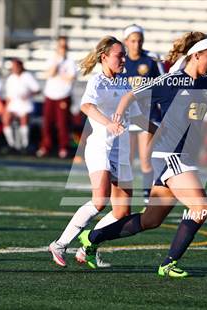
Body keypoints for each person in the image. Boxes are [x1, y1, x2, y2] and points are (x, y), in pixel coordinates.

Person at [78, 31, 207, 276]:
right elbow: (130, 95)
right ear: (196, 55)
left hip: (181, 157)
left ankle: (93, 237)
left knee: (150, 220)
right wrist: (118, 114)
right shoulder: (171, 81)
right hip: (168, 154)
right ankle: (168, 263)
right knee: (201, 208)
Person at [48, 36, 155, 268]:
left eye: (125, 55)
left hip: (122, 152)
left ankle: (87, 246)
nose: (124, 59)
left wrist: (162, 131)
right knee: (100, 201)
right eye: (119, 55)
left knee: (122, 211)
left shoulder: (124, 83)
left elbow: (136, 116)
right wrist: (108, 123)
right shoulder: (98, 81)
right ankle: (59, 244)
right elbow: (86, 106)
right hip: (100, 148)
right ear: (104, 57)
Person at [122, 24, 164, 205]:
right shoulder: (120, 60)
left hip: (148, 114)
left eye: (139, 40)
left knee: (146, 159)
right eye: (133, 41)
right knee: (127, 160)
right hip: (127, 116)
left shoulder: (151, 60)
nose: (136, 44)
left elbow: (164, 84)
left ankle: (148, 195)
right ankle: (125, 195)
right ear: (126, 42)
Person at [37, 36, 76, 159]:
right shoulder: (52, 60)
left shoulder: (70, 62)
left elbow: (71, 78)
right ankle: (45, 146)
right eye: (61, 46)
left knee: (62, 124)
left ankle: (63, 148)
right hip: (50, 95)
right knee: (47, 123)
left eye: (64, 46)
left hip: (63, 96)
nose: (62, 49)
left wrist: (61, 75)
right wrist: (57, 63)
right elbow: (50, 73)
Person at [3, 59, 40, 150]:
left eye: (15, 66)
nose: (14, 69)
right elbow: (8, 96)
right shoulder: (11, 78)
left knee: (24, 119)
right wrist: (6, 108)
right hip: (13, 105)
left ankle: (25, 144)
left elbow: (37, 90)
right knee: (6, 118)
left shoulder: (27, 76)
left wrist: (28, 95)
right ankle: (11, 144)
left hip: (25, 104)